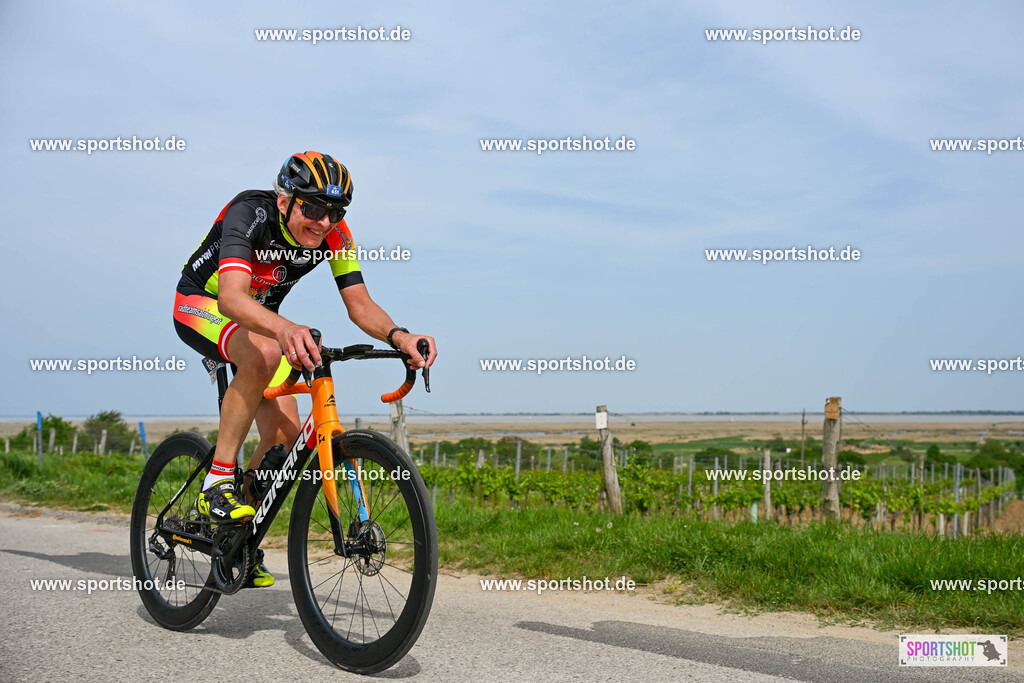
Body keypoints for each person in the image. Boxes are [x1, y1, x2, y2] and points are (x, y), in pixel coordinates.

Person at [173, 151, 436, 587]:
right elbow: (233, 298)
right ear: (285, 201)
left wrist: (399, 337)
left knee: (285, 439)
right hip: (203, 304)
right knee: (265, 354)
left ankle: (236, 540)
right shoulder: (250, 213)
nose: (324, 221)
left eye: (335, 212)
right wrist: (285, 329)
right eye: (313, 208)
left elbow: (360, 305)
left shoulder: (335, 234)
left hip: (262, 323)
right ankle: (215, 485)